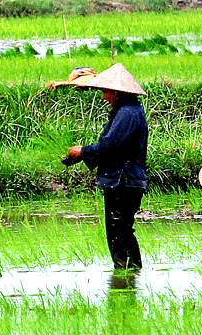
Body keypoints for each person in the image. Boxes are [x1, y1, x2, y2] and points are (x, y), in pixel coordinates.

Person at [64, 63, 149, 270]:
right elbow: (114, 148)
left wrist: (83, 152)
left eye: (105, 91)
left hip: (123, 180)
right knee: (120, 230)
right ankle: (129, 274)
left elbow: (109, 146)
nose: (103, 96)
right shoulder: (126, 110)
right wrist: (81, 156)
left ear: (117, 92)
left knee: (119, 230)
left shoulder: (127, 113)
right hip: (123, 179)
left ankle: (126, 274)